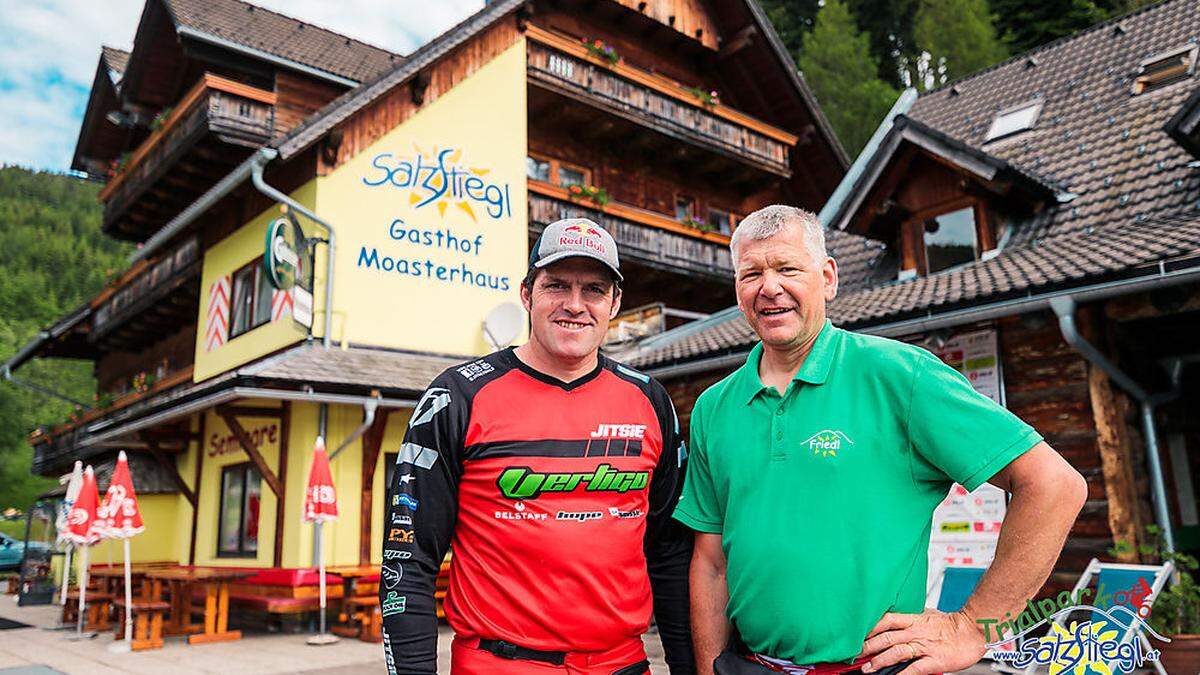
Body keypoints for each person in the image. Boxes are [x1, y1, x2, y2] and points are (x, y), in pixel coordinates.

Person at [675, 206, 1087, 675]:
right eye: (752, 273)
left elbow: (1056, 485)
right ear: (738, 289)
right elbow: (711, 564)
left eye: (788, 268)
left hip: (871, 668)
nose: (769, 287)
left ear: (827, 277)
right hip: (749, 666)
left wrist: (976, 626)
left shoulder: (899, 376)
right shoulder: (714, 407)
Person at [381, 218, 694, 675]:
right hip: (499, 664)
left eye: (593, 290)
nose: (574, 305)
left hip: (623, 663)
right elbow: (408, 563)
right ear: (527, 293)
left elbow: (670, 556)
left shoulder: (650, 401)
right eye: (556, 286)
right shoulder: (457, 397)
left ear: (615, 303)